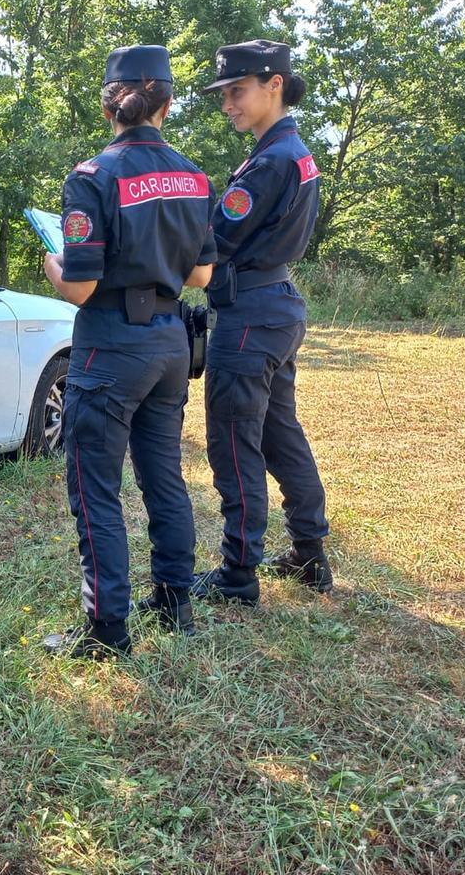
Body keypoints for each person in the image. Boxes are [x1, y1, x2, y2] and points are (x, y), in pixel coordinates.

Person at [41, 44, 216, 659]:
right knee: (163, 476)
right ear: (166, 102)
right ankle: (175, 597)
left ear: (110, 104)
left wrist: (52, 264)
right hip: (171, 343)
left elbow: (82, 285)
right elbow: (200, 275)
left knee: (95, 488)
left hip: (111, 347)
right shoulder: (195, 179)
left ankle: (107, 629)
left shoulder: (91, 178)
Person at [191, 38, 333, 607]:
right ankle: (309, 553)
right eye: (224, 94)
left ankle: (237, 574)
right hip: (274, 303)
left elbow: (214, 242)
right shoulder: (293, 151)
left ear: (275, 84)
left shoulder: (270, 162)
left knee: (233, 442)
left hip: (249, 314)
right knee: (278, 433)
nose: (228, 104)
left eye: (237, 91)